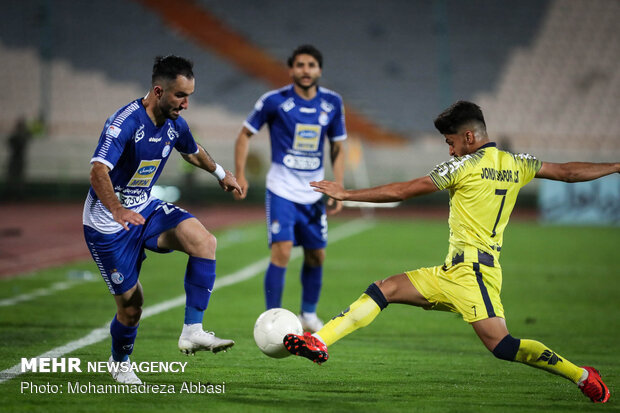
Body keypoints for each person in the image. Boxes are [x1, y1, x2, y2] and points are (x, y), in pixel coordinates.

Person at [283, 101, 614, 403]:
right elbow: (568, 173)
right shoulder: (519, 163)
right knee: (384, 288)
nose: (451, 151)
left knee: (504, 346)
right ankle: (320, 341)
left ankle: (583, 376)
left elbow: (403, 190)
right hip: (452, 271)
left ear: (469, 136)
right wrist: (614, 166)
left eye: (451, 142)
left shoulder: (463, 167)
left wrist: (347, 193)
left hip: (474, 275)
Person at [83, 55, 242, 384]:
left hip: (145, 208)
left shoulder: (174, 122)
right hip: (109, 225)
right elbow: (98, 170)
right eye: (181, 96)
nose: (185, 104)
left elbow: (191, 149)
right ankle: (119, 361)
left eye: (189, 97)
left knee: (204, 240)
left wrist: (221, 173)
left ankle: (193, 330)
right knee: (132, 308)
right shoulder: (124, 123)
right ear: (158, 91)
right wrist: (117, 209)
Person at [233, 45, 346, 332]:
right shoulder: (274, 101)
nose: (305, 70)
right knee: (281, 250)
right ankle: (273, 319)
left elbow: (337, 146)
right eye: (300, 65)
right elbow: (245, 134)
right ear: (291, 69)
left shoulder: (333, 103)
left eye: (310, 65)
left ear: (319, 70)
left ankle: (308, 314)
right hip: (281, 189)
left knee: (316, 255)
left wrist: (338, 185)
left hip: (314, 192)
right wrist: (240, 174)